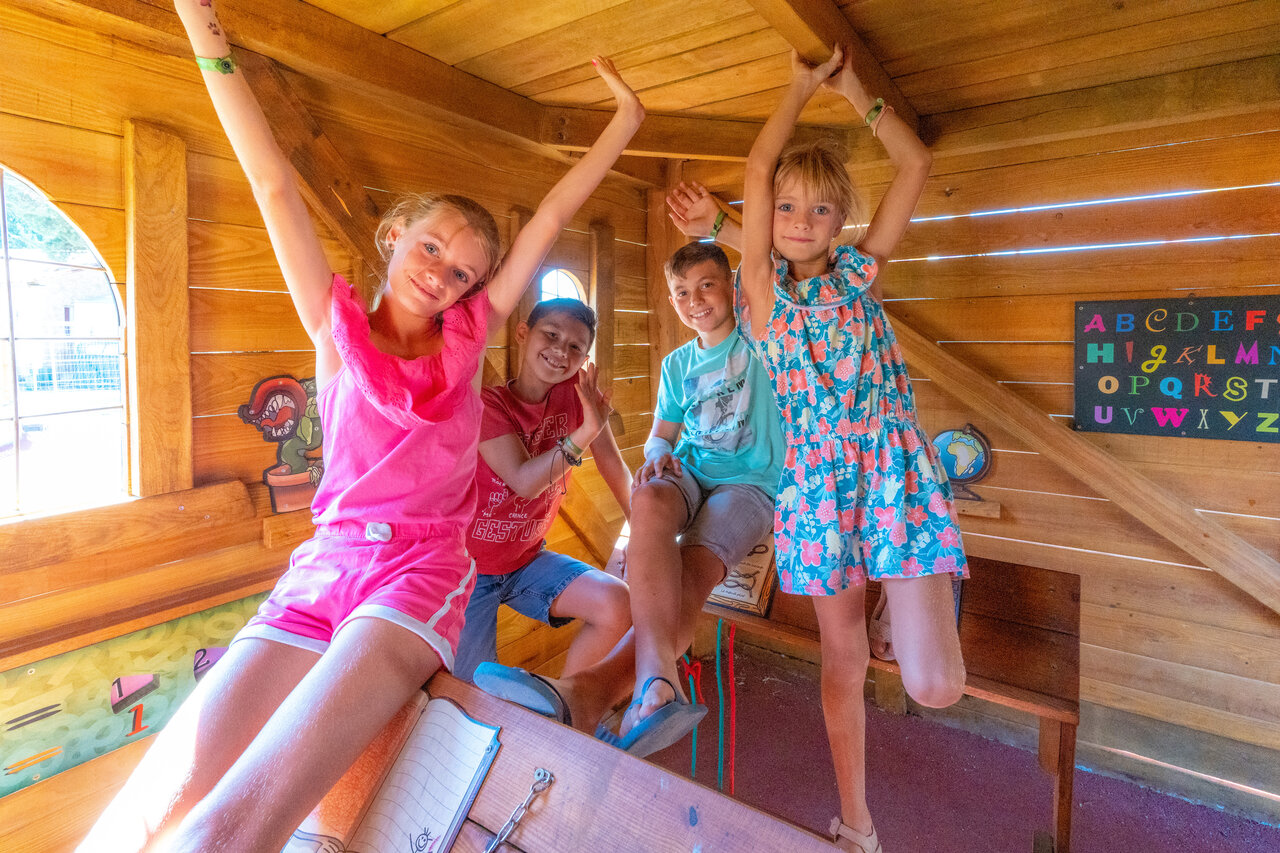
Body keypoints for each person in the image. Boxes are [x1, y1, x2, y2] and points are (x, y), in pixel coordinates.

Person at [78, 2, 644, 850]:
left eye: (462, 272)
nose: (442, 275)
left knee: (220, 833)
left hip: (416, 575)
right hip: (324, 567)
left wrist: (624, 123)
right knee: (141, 814)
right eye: (430, 249)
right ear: (392, 236)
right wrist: (206, 35)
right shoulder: (332, 328)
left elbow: (554, 219)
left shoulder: (469, 346)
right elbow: (272, 180)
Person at [732, 45, 968, 853]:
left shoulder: (863, 274)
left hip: (895, 469)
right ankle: (857, 823)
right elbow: (759, 169)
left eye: (822, 209)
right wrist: (797, 90)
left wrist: (858, 90)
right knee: (842, 662)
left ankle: (910, 594)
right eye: (788, 207)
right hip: (815, 489)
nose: (799, 220)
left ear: (843, 220)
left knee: (937, 686)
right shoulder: (759, 294)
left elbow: (916, 159)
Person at [472, 241, 785, 758]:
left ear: (733, 288)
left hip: (748, 485)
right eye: (681, 292)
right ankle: (640, 690)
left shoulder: (761, 339)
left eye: (707, 285)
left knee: (689, 571)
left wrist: (717, 225)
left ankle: (592, 695)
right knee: (653, 499)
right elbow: (660, 438)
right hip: (684, 474)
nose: (695, 300)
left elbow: (763, 263)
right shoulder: (677, 363)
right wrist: (654, 467)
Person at [453, 298, 632, 684]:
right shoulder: (489, 404)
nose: (560, 351)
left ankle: (566, 706)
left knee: (619, 604)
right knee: (469, 688)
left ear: (584, 357)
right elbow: (523, 480)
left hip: (527, 561)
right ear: (523, 332)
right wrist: (585, 433)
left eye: (575, 347)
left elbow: (613, 466)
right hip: (467, 572)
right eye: (551, 334)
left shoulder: (577, 396)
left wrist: (644, 530)